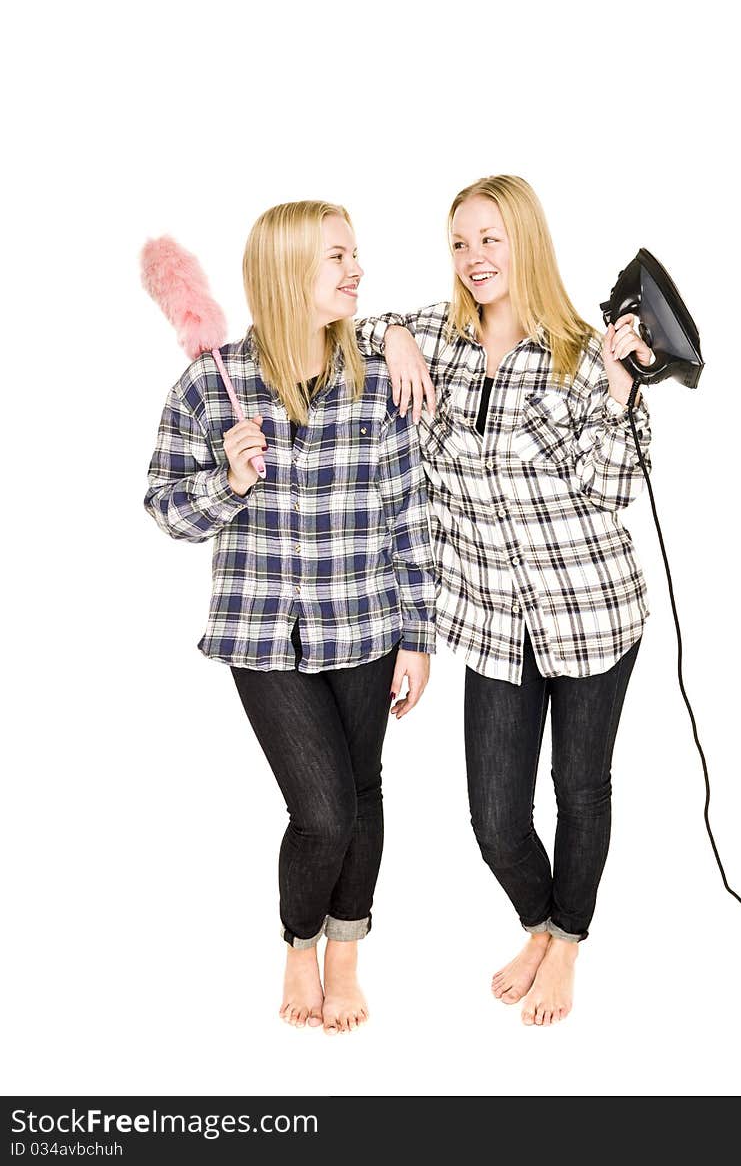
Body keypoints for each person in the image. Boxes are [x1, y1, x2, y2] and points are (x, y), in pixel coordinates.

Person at [356, 175, 654, 1027]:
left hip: (591, 612)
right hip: (490, 619)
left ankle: (567, 939)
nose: (474, 258)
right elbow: (348, 325)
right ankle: (537, 918)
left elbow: (614, 485)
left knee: (579, 786)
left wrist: (619, 385)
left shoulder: (579, 350)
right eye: (460, 243)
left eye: (490, 239)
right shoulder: (439, 339)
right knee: (495, 816)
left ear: (525, 240)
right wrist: (399, 339)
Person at [145, 201, 435, 1034]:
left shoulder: (380, 380)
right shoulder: (209, 386)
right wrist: (227, 482)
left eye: (355, 254)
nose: (356, 269)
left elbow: (408, 514)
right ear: (287, 271)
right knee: (324, 809)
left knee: (364, 791)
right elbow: (166, 509)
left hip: (365, 624)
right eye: (337, 257)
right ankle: (298, 936)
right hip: (260, 631)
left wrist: (417, 634)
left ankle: (344, 949)